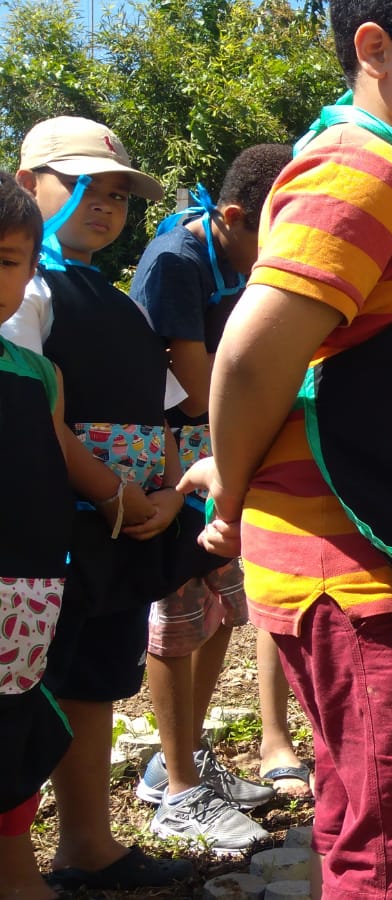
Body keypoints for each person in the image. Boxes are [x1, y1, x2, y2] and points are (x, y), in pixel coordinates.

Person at [181, 0, 392, 892]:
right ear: (375, 48)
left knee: (365, 835)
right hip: (368, 580)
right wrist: (234, 491)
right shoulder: (359, 172)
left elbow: (327, 372)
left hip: (379, 575)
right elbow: (253, 360)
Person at [5, 117, 196, 891]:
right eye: (84, 185)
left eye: (119, 194)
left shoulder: (124, 304)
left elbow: (170, 409)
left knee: (98, 677)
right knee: (35, 688)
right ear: (27, 185)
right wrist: (114, 491)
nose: (105, 206)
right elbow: (30, 412)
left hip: (126, 524)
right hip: (53, 535)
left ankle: (88, 841)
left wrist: (164, 494)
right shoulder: (29, 291)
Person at [130, 144, 293, 850]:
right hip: (171, 461)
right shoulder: (176, 262)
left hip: (220, 451)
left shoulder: (230, 258)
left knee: (227, 605)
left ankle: (184, 756)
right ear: (232, 216)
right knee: (179, 615)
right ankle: (177, 794)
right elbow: (198, 388)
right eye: (271, 231)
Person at [0, 172, 79, 900]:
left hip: (27, 592)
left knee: (16, 727)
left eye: (6, 261)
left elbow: (57, 459)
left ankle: (19, 873)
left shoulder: (38, 374)